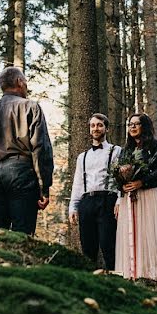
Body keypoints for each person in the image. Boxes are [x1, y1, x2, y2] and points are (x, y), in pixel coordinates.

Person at [0, 66, 54, 235]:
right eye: (25, 82)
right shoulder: (31, 107)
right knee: (22, 235)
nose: (26, 86)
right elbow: (40, 148)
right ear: (19, 82)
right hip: (21, 174)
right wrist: (44, 187)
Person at [114, 113, 157, 282]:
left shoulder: (156, 145)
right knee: (133, 236)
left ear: (144, 126)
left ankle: (154, 276)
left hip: (150, 196)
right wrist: (122, 186)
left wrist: (142, 182)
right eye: (130, 124)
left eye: (136, 124)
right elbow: (119, 173)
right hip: (130, 198)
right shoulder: (126, 150)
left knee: (150, 236)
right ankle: (132, 274)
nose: (132, 127)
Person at [69, 113, 121, 270]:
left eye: (99, 125)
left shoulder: (117, 151)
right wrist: (73, 206)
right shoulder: (82, 157)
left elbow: (121, 179)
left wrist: (119, 200)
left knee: (108, 245)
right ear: (89, 129)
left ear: (106, 128)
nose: (96, 128)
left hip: (108, 201)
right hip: (87, 203)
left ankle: (116, 283)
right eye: (93, 125)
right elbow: (78, 183)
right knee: (88, 247)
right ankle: (90, 283)